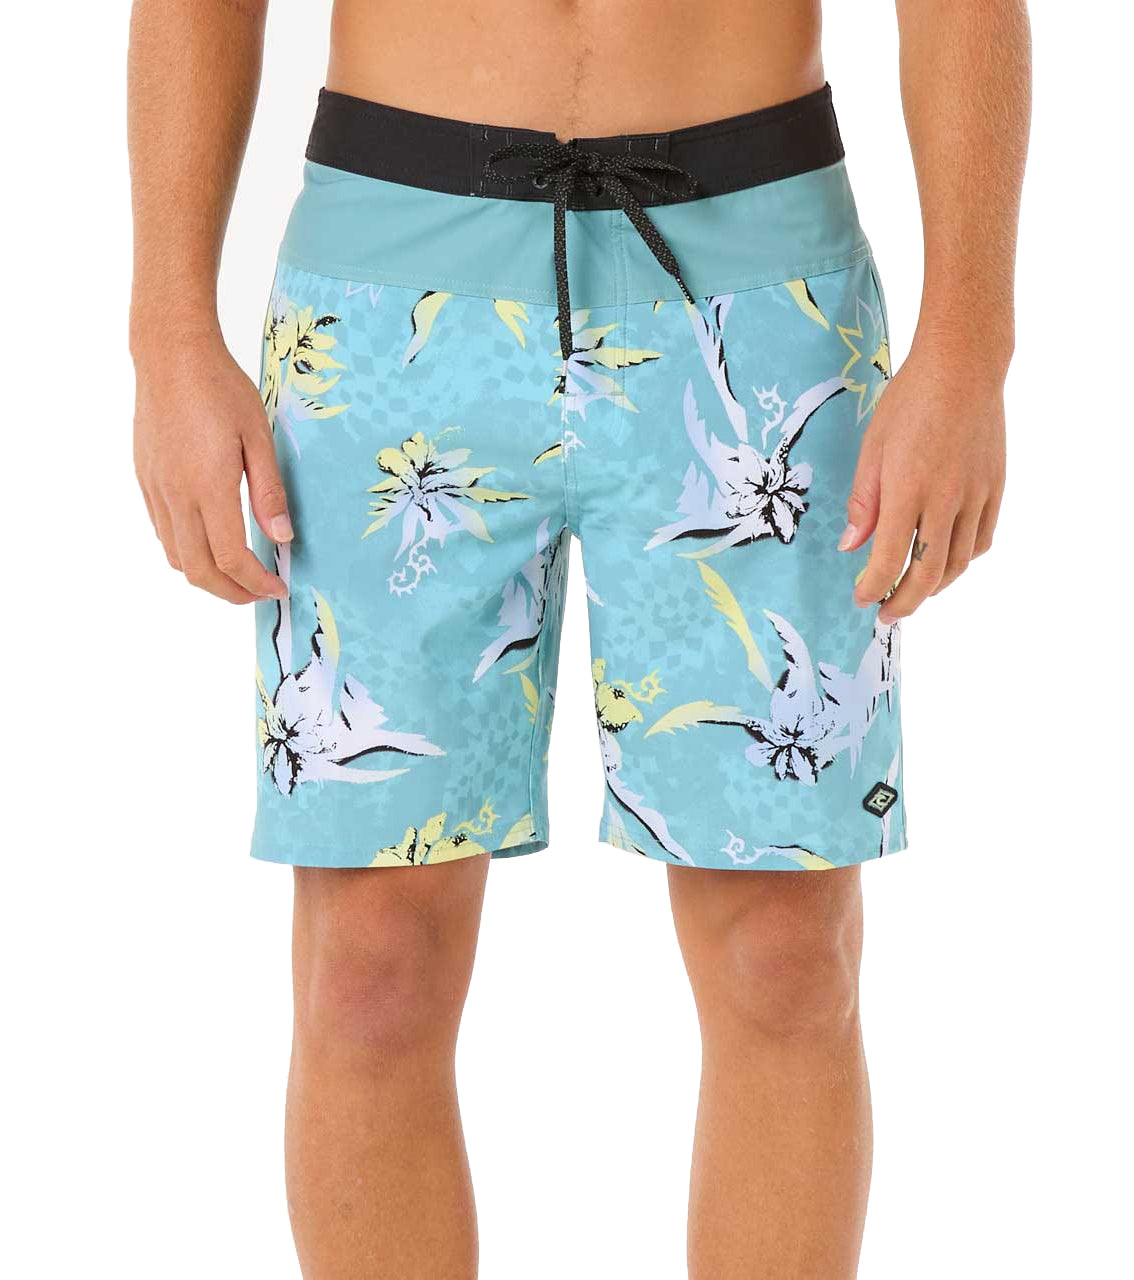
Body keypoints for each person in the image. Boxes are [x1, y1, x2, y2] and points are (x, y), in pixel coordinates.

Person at [127, 1, 1030, 1275]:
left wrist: (972, 345)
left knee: (784, 956)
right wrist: (168, 329)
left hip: (759, 297)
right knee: (369, 967)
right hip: (386, 306)